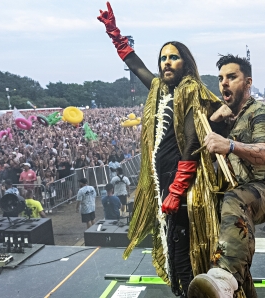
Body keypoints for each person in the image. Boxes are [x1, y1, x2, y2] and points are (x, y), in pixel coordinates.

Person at [97, 3, 224, 296]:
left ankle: (189, 292)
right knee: (169, 244)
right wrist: (115, 34)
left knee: (182, 249)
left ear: (186, 64)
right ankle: (183, 291)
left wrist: (178, 188)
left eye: (174, 57)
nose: (167, 62)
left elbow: (192, 141)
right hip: (161, 181)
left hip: (181, 182)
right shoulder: (158, 89)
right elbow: (137, 66)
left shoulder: (190, 89)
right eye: (163, 58)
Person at [191, 55, 265, 297]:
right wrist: (214, 123)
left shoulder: (260, 111)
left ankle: (223, 278)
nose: (224, 83)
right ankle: (235, 284)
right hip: (241, 191)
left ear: (248, 83)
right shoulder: (228, 119)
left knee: (234, 200)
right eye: (221, 78)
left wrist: (230, 145)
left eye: (232, 77)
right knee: (234, 253)